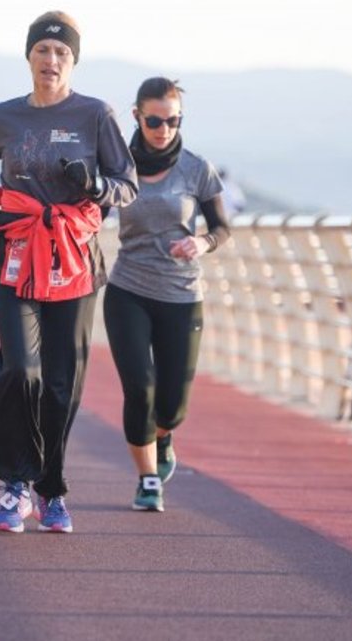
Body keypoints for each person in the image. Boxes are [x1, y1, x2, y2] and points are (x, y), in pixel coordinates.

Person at [0, 11, 138, 533]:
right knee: (21, 368)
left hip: (73, 261)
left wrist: (93, 186)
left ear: (73, 61)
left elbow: (126, 185)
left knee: (61, 382)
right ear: (29, 56)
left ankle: (51, 489)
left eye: (62, 53)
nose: (52, 60)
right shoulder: (3, 116)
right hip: (14, 255)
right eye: (43, 50)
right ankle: (15, 483)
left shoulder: (96, 115)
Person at [104, 77, 230, 512]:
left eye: (172, 120)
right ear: (137, 117)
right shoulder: (119, 165)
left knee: (171, 405)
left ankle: (165, 435)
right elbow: (93, 208)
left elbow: (221, 227)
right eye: (154, 120)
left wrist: (202, 243)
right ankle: (147, 478)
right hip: (128, 290)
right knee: (140, 388)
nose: (163, 129)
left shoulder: (197, 169)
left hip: (181, 294)